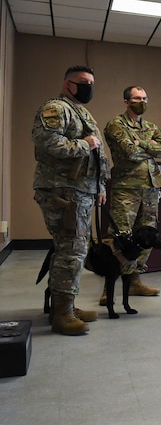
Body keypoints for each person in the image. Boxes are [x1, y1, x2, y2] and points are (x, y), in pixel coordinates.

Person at [32, 65, 109, 335]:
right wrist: (85, 144)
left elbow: (97, 156)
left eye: (92, 83)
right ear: (68, 84)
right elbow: (48, 142)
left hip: (80, 191)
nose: (89, 87)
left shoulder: (81, 112)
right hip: (62, 191)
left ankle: (65, 306)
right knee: (70, 249)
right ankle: (62, 314)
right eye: (83, 82)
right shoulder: (56, 109)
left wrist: (100, 186)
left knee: (73, 249)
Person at [101, 86, 161, 304]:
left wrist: (142, 143)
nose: (142, 102)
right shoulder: (116, 124)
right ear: (126, 102)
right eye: (137, 98)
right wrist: (150, 147)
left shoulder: (150, 127)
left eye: (144, 98)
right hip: (126, 189)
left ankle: (135, 281)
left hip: (150, 188)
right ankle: (108, 288)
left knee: (147, 236)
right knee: (119, 236)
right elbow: (129, 152)